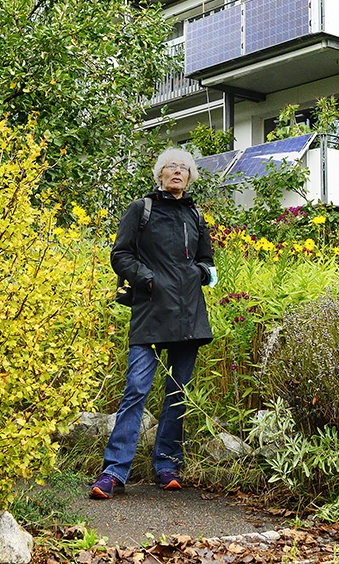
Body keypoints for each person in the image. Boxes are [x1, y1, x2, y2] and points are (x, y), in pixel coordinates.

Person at [88, 148, 217, 499]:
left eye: (184, 169)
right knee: (136, 390)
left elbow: (208, 261)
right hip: (148, 310)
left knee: (177, 394)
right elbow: (120, 254)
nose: (177, 172)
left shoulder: (195, 214)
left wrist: (199, 274)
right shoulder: (141, 209)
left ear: (189, 177)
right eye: (171, 167)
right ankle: (114, 473)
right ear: (160, 175)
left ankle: (167, 464)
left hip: (188, 314)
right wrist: (147, 279)